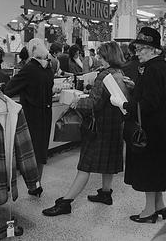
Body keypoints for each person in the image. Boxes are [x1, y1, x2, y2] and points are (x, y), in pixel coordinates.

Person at [42, 41, 129, 217]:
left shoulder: (104, 75)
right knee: (109, 162)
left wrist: (76, 102)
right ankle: (106, 193)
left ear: (107, 57)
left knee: (85, 165)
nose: (98, 58)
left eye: (101, 55)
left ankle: (66, 202)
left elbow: (94, 103)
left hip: (99, 127)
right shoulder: (119, 73)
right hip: (114, 125)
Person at [110, 27, 166, 223]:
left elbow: (148, 104)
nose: (136, 53)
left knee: (149, 168)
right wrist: (136, 87)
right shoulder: (161, 66)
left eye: (141, 49)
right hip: (161, 128)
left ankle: (149, 211)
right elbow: (154, 94)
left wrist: (123, 104)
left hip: (150, 129)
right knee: (157, 167)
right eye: (136, 49)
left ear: (153, 49)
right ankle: (159, 205)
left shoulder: (152, 69)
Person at [4, 38, 54, 197]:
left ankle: (33, 185)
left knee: (29, 151)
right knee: (41, 150)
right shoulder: (48, 68)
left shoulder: (29, 68)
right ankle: (37, 184)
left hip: (31, 114)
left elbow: (9, 89)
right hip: (46, 113)